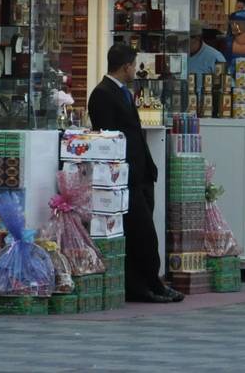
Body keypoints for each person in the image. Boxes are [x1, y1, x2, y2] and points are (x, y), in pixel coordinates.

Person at [87, 43, 182, 304]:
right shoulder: (102, 94)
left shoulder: (124, 93)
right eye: (133, 65)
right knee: (141, 234)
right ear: (126, 66)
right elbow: (109, 137)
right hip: (123, 176)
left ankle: (151, 283)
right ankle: (144, 286)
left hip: (140, 173)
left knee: (144, 233)